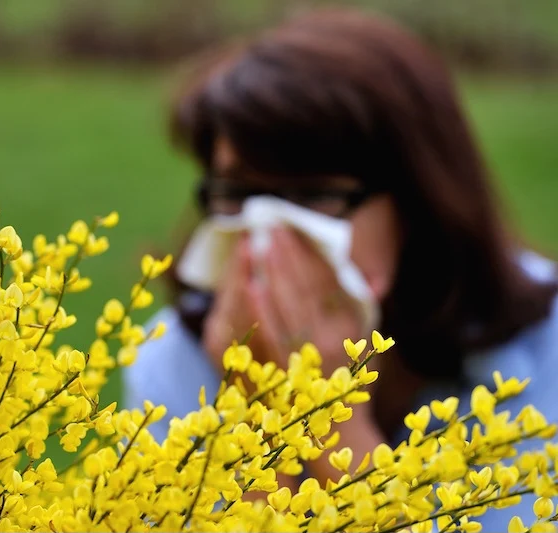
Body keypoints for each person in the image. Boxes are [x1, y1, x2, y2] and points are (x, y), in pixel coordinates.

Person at [122, 7, 558, 530]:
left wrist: (330, 412)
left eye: (313, 195)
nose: (270, 230)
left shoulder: (544, 351)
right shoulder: (175, 360)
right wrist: (251, 410)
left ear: (418, 203)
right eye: (238, 193)